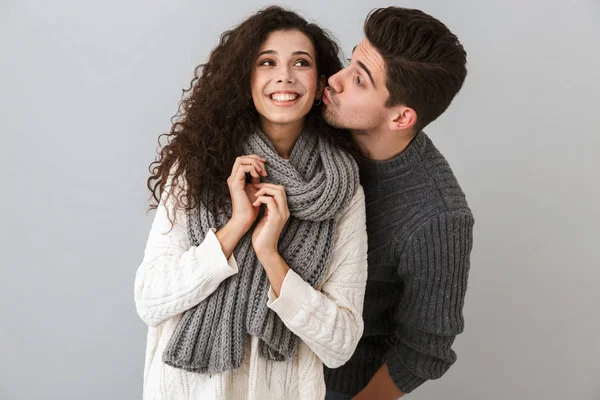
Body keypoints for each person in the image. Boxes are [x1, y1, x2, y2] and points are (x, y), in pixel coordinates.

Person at [134, 6, 368, 400]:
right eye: (266, 62)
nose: (285, 76)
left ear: (320, 83)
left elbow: (340, 344)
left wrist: (270, 256)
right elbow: (150, 299)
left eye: (301, 63)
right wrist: (234, 228)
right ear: (245, 79)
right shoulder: (196, 166)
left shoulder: (341, 187)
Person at [321, 7, 475, 400]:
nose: (335, 80)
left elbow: (425, 350)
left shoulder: (437, 216)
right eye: (351, 60)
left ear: (402, 117)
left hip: (336, 386)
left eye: (359, 79)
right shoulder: (322, 121)